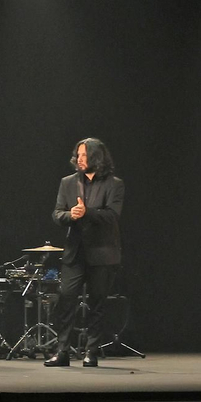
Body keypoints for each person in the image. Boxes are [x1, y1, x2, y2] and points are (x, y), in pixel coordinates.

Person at [44, 138, 125, 368]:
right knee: (66, 297)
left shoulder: (114, 184)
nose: (79, 159)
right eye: (78, 155)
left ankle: (91, 351)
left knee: (97, 302)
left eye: (84, 155)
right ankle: (62, 351)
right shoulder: (67, 182)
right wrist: (72, 215)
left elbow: (112, 216)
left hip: (103, 252)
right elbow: (57, 214)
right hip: (75, 252)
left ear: (96, 157)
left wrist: (86, 212)